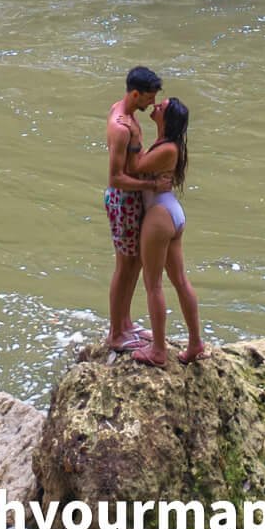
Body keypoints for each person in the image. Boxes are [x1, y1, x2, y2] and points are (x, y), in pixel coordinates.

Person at [131, 96, 205, 368]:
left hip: (160, 215)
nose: (156, 106)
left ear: (168, 118)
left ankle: (159, 350)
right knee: (179, 280)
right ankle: (195, 343)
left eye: (161, 106)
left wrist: (132, 135)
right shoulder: (167, 145)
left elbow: (136, 166)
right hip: (170, 213)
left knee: (154, 285)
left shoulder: (167, 148)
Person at [105, 64, 172, 352]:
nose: (152, 103)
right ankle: (115, 333)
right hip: (124, 201)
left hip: (130, 200)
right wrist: (151, 186)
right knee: (125, 265)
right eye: (149, 98)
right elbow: (116, 177)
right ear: (135, 94)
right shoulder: (121, 127)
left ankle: (126, 323)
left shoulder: (125, 112)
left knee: (135, 263)